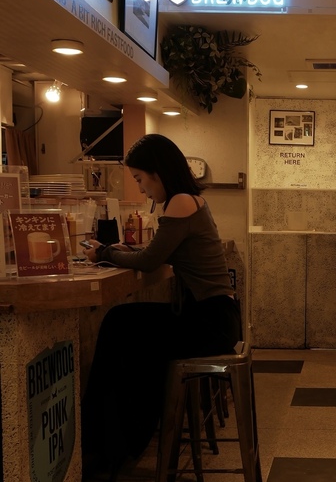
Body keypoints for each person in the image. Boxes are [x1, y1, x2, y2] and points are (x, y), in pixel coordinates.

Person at [81, 133, 242, 479]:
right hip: (216, 316)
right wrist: (121, 251)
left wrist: (104, 252)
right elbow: (157, 254)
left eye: (140, 179)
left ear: (157, 172)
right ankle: (116, 442)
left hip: (210, 321)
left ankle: (108, 444)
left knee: (119, 324)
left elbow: (150, 261)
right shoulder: (191, 200)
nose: (141, 189)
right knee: (124, 327)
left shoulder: (180, 202)